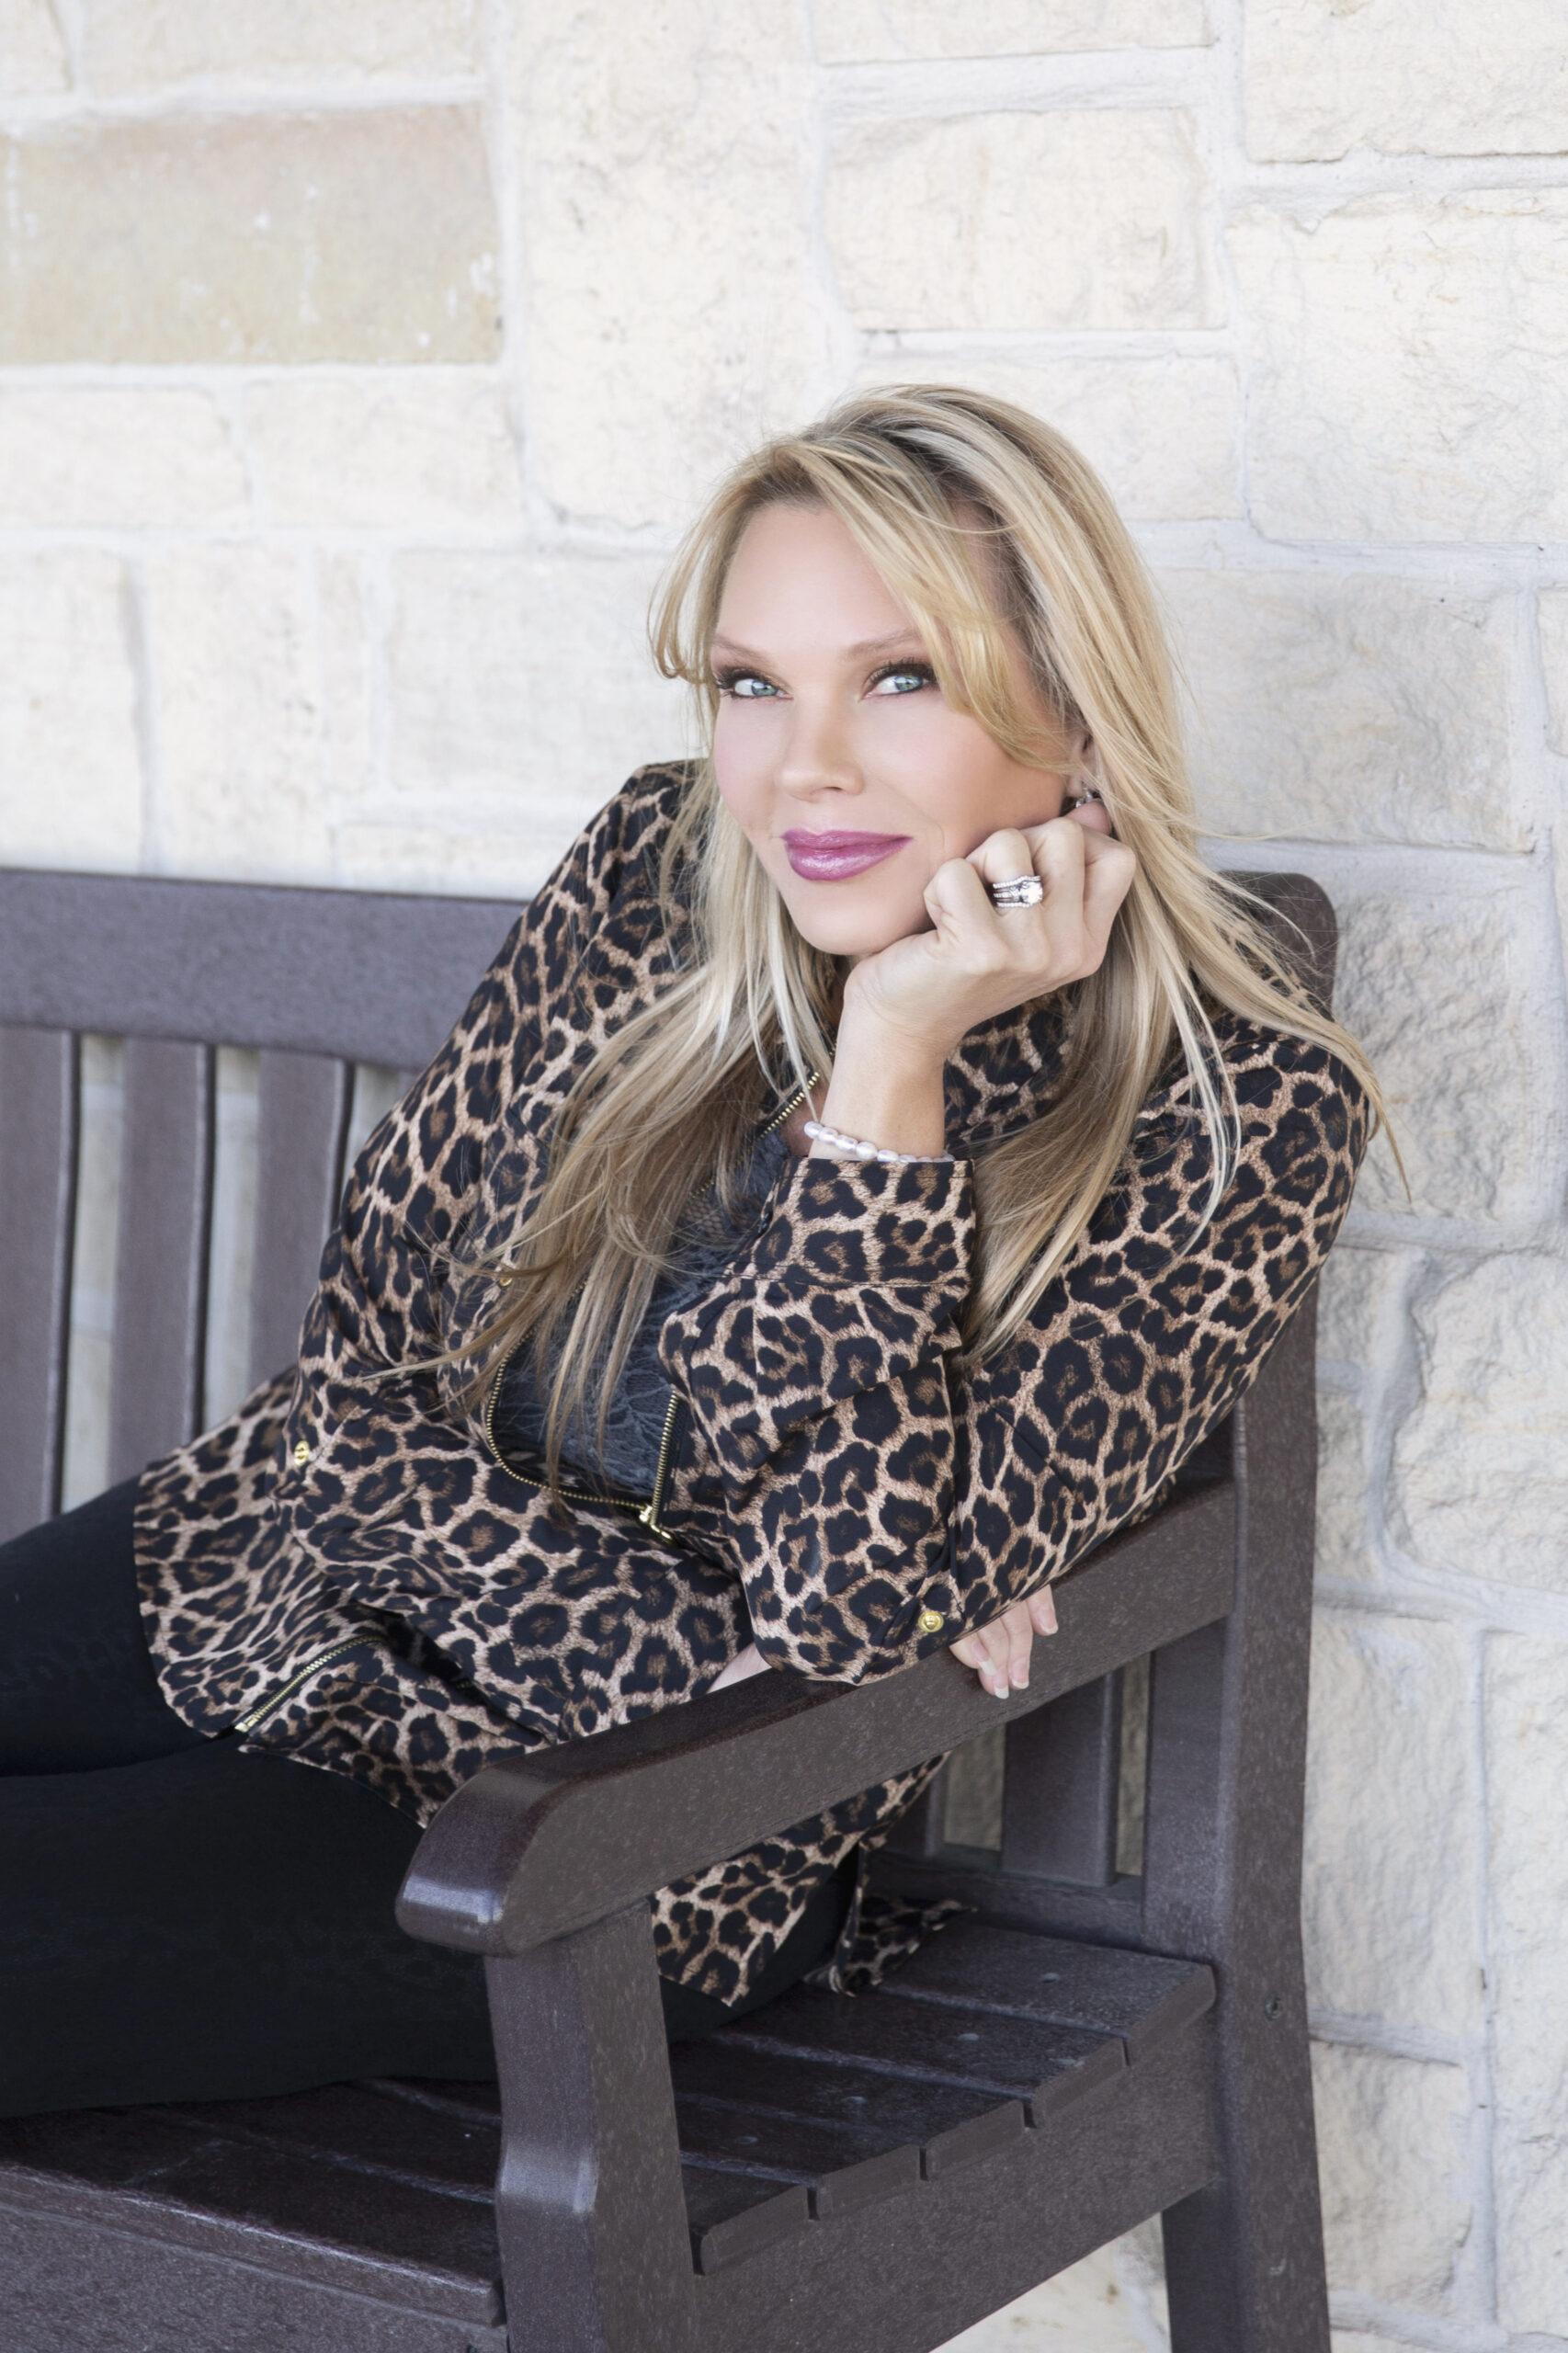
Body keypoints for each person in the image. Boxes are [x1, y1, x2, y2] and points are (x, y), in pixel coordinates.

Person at [0, 382, 1398, 2121]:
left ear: (1079, 719)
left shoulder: (1235, 1115)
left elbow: (827, 1625)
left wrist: (890, 1072)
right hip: (253, 1574)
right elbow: (356, 1390)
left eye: (901, 678)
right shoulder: (648, 882)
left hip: (581, 1839)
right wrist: (710, 1628)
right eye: (753, 683)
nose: (799, 766)